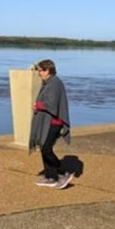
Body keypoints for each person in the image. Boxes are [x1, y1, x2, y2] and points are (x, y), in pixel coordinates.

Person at [29, 59, 73, 189]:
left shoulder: (54, 83)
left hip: (54, 121)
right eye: (38, 70)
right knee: (43, 146)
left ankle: (61, 171)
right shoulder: (49, 82)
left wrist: (38, 105)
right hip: (49, 120)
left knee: (46, 148)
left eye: (40, 70)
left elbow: (52, 104)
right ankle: (51, 177)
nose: (39, 73)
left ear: (48, 70)